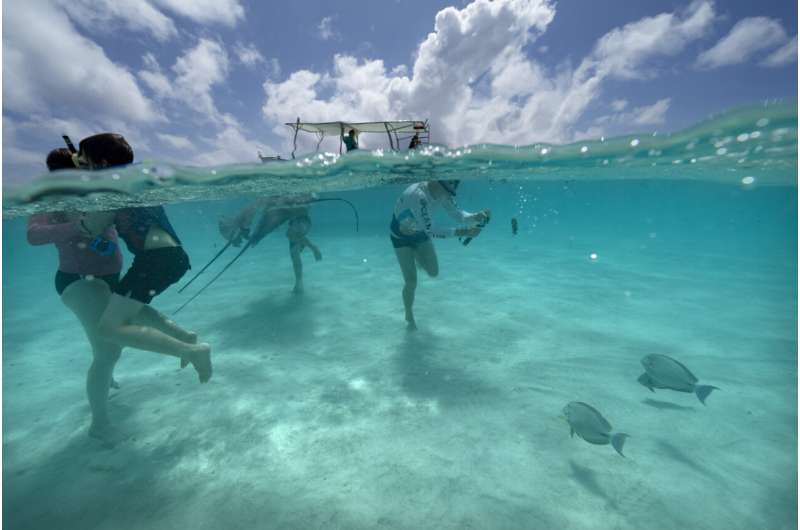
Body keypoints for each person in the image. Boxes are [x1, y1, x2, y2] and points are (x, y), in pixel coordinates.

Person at [73, 134, 212, 383]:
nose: (82, 166)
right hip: (172, 256)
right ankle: (185, 338)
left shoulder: (109, 189)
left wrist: (80, 208)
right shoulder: (135, 182)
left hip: (156, 260)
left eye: (84, 162)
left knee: (108, 329)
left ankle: (192, 351)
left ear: (102, 163)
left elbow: (91, 228)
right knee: (130, 312)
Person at [27, 148, 126, 443]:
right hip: (78, 281)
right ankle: (100, 425)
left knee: (107, 343)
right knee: (109, 350)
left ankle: (105, 378)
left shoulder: (92, 191)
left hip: (108, 279)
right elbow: (33, 235)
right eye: (80, 165)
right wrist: (77, 227)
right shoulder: (50, 197)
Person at [389, 180, 490, 330]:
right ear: (437, 182)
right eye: (447, 191)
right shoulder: (418, 196)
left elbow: (457, 215)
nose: (448, 196)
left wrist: (476, 216)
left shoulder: (443, 191)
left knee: (433, 272)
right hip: (401, 237)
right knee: (411, 282)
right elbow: (432, 230)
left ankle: (416, 255)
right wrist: (464, 232)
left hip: (421, 232)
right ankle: (408, 313)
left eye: (451, 193)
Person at [219, 194, 321, 293]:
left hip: (298, 217)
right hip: (283, 213)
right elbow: (260, 210)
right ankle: (299, 282)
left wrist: (313, 247)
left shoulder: (298, 205)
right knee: (293, 249)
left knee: (293, 244)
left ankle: (300, 279)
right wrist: (246, 229)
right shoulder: (270, 200)